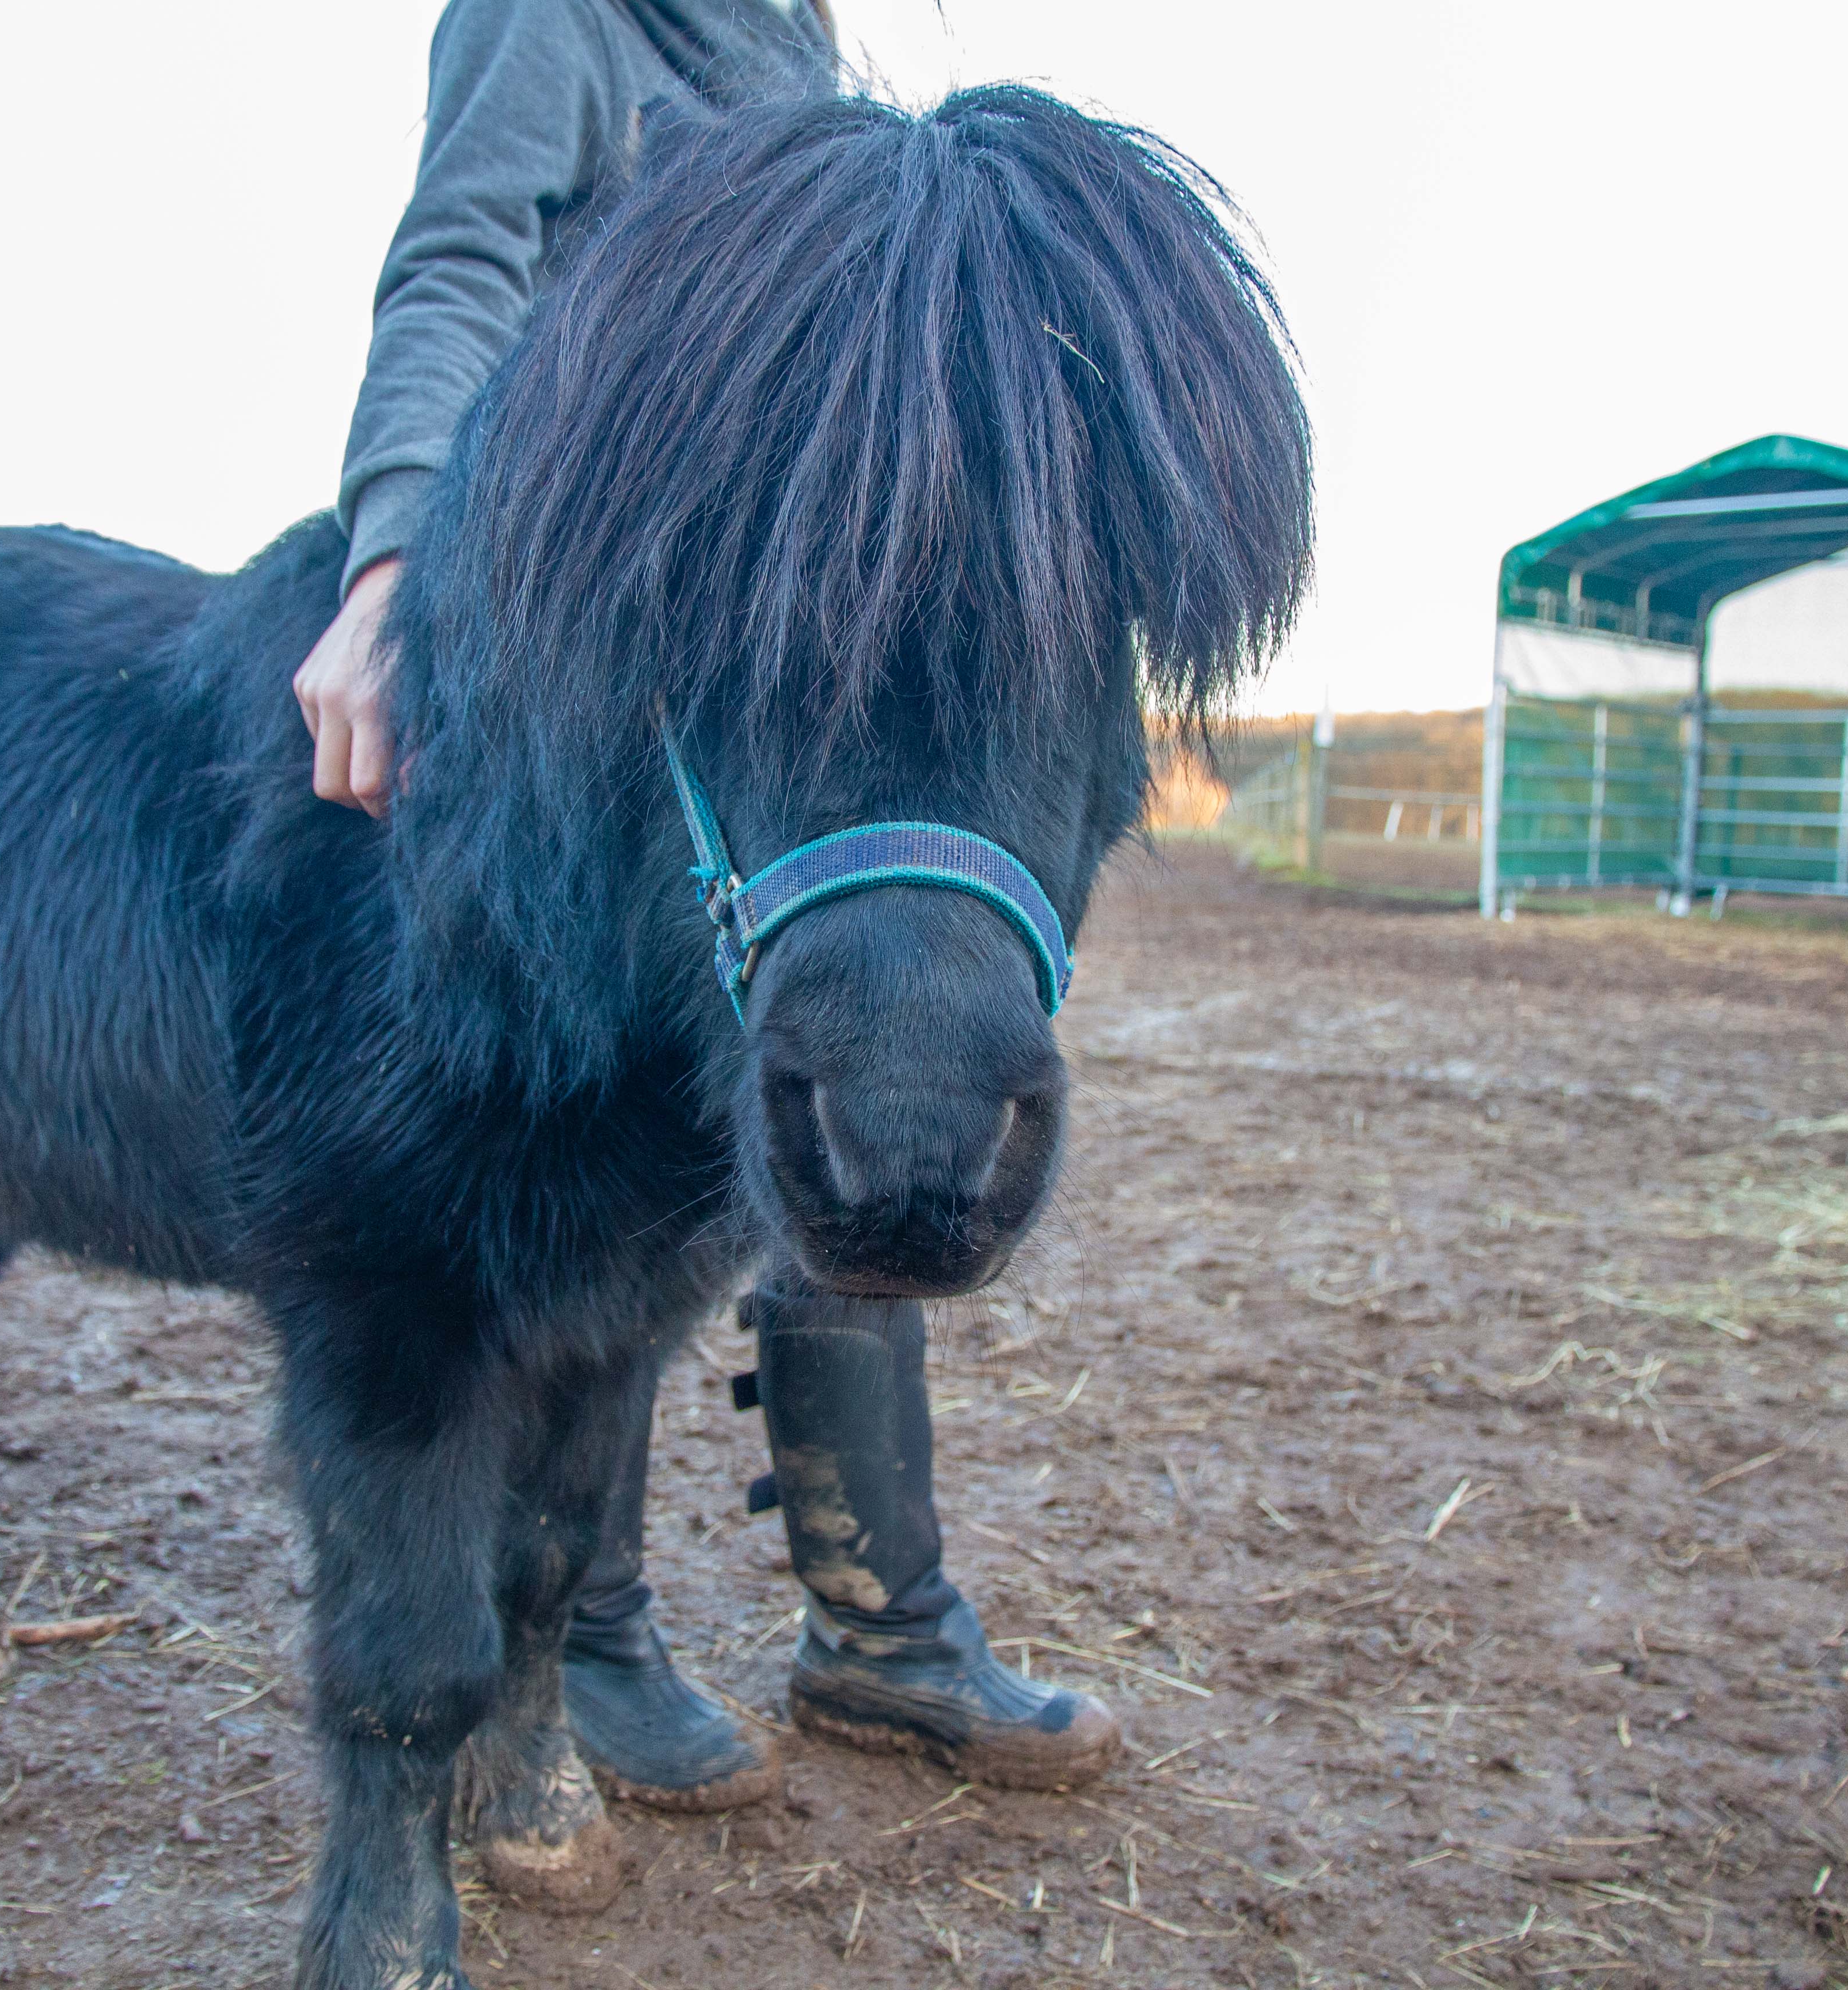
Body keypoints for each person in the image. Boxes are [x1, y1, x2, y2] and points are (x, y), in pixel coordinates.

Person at [294, 0, 1120, 1808]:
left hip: (815, 645)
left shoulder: (797, 48)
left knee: (887, 1056)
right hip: (623, 664)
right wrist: (395, 558)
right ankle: (588, 1628)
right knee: (626, 1153)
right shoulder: (558, 17)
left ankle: (877, 1621)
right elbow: (460, 255)